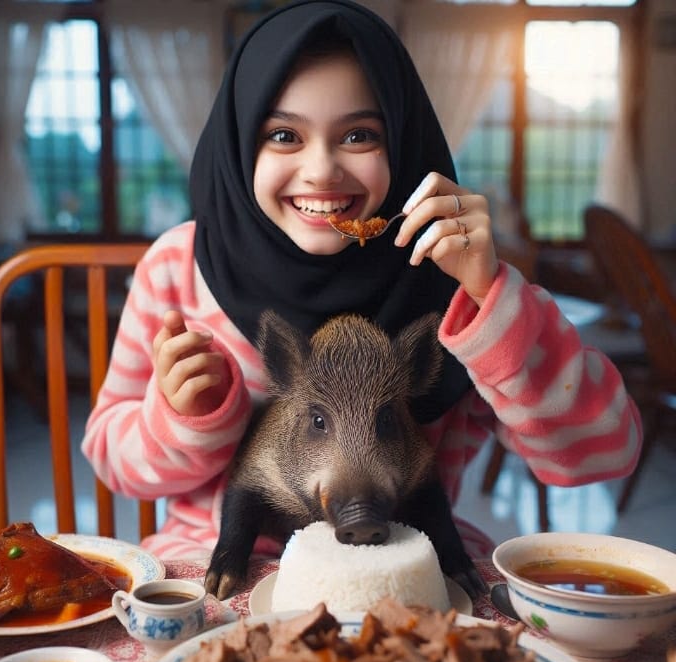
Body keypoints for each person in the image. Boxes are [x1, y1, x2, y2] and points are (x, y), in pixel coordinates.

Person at [82, 0, 641, 564]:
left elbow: (603, 452)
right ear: (239, 142)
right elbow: (112, 458)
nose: (321, 169)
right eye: (283, 135)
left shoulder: (454, 276)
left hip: (408, 565)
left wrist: (493, 299)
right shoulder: (177, 267)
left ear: (402, 140)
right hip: (219, 560)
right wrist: (179, 417)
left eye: (358, 136)